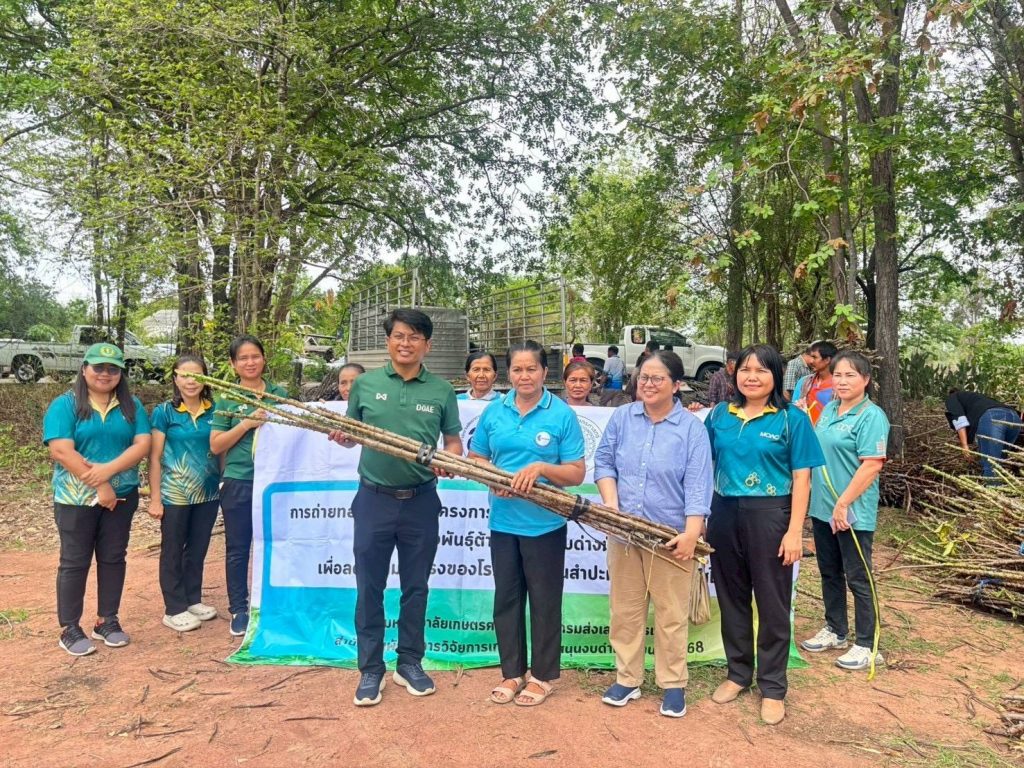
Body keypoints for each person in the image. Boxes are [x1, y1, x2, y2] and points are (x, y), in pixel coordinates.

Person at [328, 309, 462, 707]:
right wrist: (343, 437)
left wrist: (450, 459)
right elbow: (352, 433)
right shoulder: (365, 385)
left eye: (415, 337)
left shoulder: (442, 390)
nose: (406, 343)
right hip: (373, 500)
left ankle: (410, 662)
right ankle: (371, 668)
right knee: (369, 586)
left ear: (427, 345)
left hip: (421, 501)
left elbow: (453, 442)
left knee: (415, 586)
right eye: (399, 336)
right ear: (388, 341)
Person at [703, 344, 824, 725]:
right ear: (734, 374)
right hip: (723, 513)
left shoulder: (792, 419)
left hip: (771, 516)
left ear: (775, 375)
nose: (751, 377)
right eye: (745, 369)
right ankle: (738, 673)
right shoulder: (719, 415)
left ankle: (772, 686)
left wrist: (795, 532)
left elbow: (803, 479)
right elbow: (702, 466)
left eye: (761, 370)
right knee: (732, 597)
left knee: (772, 604)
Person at [594, 351, 713, 718]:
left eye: (658, 378)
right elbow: (604, 462)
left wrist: (691, 533)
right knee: (625, 611)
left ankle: (673, 683)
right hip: (625, 534)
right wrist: (611, 505)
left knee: (671, 613)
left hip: (670, 537)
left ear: (676, 385)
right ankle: (627, 679)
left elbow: (698, 484)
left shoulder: (691, 429)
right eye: (643, 377)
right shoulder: (622, 418)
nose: (648, 384)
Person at [468, 341, 585, 707]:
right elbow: (476, 457)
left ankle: (543, 676)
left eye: (531, 369)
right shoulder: (494, 412)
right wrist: (494, 479)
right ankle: (512, 672)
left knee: (545, 601)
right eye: (517, 370)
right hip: (503, 522)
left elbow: (576, 472)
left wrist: (541, 469)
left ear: (544, 372)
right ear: (509, 374)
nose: (524, 376)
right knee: (507, 599)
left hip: (545, 525)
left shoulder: (561, 414)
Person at [42, 343, 152, 656]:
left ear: (120, 373)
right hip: (75, 498)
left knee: (114, 557)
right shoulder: (65, 405)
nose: (105, 373)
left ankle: (107, 620)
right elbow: (61, 450)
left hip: (123, 496)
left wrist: (109, 472)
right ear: (84, 369)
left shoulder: (131, 406)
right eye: (99, 367)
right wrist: (101, 484)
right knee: (75, 561)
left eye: (113, 368)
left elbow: (142, 444)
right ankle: (69, 627)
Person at [802, 351, 888, 671]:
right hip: (823, 508)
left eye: (850, 375)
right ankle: (836, 629)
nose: (842, 381)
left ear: (865, 379)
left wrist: (844, 502)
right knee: (829, 571)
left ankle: (867, 644)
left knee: (858, 577)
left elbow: (872, 465)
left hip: (851, 511)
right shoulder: (829, 410)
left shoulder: (871, 416)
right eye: (838, 374)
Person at [209, 335, 289, 639]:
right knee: (238, 547)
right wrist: (246, 423)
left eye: (255, 356)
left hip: (276, 482)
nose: (250, 362)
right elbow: (216, 445)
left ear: (264, 359)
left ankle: (275, 603)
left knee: (279, 542)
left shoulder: (281, 395)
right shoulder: (227, 398)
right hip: (240, 480)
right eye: (243, 358)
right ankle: (239, 609)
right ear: (233, 364)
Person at [149, 355, 222, 633]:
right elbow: (154, 457)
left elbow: (221, 450)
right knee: (172, 550)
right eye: (184, 375)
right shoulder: (164, 412)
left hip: (208, 493)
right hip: (174, 494)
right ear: (175, 378)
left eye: (197, 375)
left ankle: (193, 599)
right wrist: (155, 498)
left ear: (206, 378)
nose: (191, 381)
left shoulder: (216, 410)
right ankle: (174, 608)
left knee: (198, 548)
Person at [945, 389, 1023, 479]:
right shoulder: (979, 397)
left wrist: (964, 446)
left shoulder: (953, 397)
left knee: (991, 466)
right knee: (998, 463)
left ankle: (992, 486)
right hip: (1014, 418)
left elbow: (959, 419)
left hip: (993, 419)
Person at [794, 341, 837, 426]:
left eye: (814, 357)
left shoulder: (839, 385)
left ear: (827, 360)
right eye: (810, 357)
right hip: (805, 429)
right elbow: (794, 407)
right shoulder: (804, 382)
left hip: (827, 431)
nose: (810, 361)